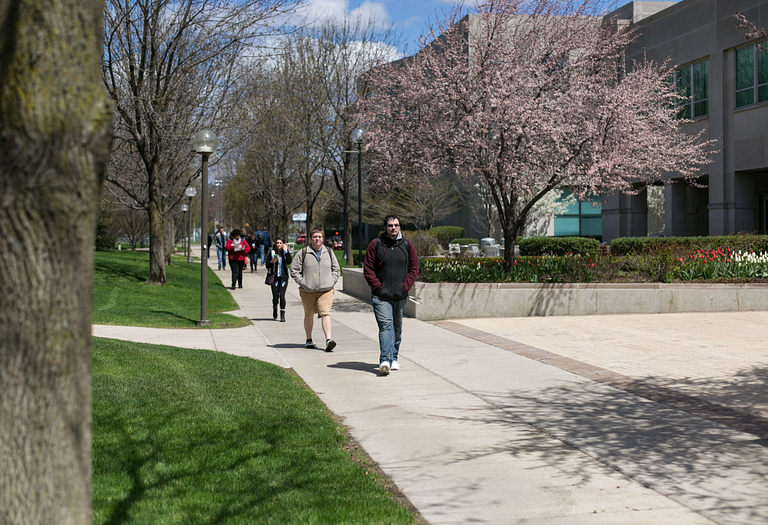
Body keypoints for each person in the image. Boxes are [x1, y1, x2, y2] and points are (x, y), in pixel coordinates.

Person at [363, 215, 419, 376]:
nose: (393, 228)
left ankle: (394, 358)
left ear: (399, 227)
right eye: (390, 225)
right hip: (381, 296)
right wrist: (378, 288)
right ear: (385, 227)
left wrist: (405, 287)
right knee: (386, 326)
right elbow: (368, 269)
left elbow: (414, 268)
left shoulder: (407, 246)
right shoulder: (376, 245)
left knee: (397, 328)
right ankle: (385, 360)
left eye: (396, 225)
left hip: (400, 296)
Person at [290, 226, 340, 352]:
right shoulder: (303, 252)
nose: (317, 239)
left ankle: (328, 340)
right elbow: (294, 270)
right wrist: (302, 282)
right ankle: (309, 339)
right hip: (308, 290)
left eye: (319, 237)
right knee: (309, 314)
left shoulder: (328, 252)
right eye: (315, 237)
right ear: (310, 238)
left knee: (325, 313)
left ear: (323, 239)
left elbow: (336, 269)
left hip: (326, 290)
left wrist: (332, 280)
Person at [266, 237, 292, 322]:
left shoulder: (285, 253)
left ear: (283, 244)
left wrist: (285, 251)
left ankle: (282, 314)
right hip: (275, 278)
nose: (279, 245)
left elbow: (289, 261)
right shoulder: (272, 253)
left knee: (282, 295)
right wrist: (272, 262)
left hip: (283, 278)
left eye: (281, 243)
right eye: (277, 243)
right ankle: (274, 308)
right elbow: (267, 265)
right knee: (275, 297)